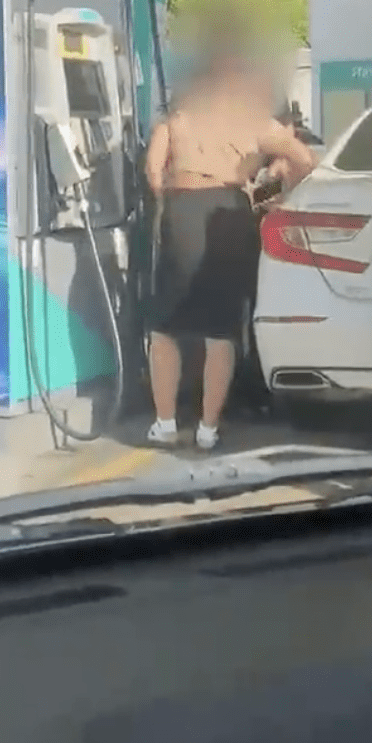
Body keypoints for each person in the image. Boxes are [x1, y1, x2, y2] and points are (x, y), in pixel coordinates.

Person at [144, 28, 315, 451]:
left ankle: (164, 424)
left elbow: (152, 171)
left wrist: (168, 202)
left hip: (182, 206)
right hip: (229, 210)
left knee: (165, 327)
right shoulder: (252, 121)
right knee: (220, 328)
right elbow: (303, 158)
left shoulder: (177, 119)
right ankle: (207, 429)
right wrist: (271, 192)